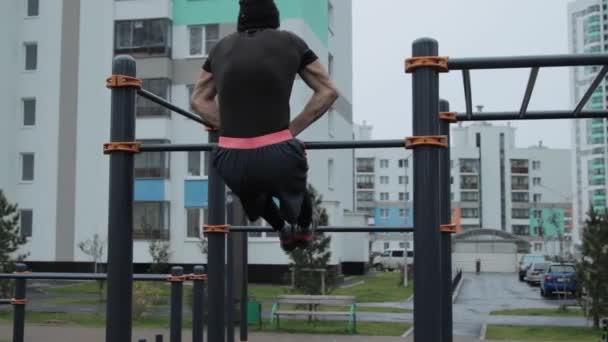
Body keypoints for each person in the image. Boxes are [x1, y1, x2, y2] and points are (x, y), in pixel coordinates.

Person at [191, 0, 338, 251]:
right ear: (274, 17)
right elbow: (327, 91)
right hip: (278, 155)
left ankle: (281, 229)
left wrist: (230, 128)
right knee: (290, 178)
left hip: (230, 158)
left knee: (253, 189)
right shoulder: (290, 42)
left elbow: (198, 100)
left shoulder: (220, 48)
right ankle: (302, 228)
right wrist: (291, 130)